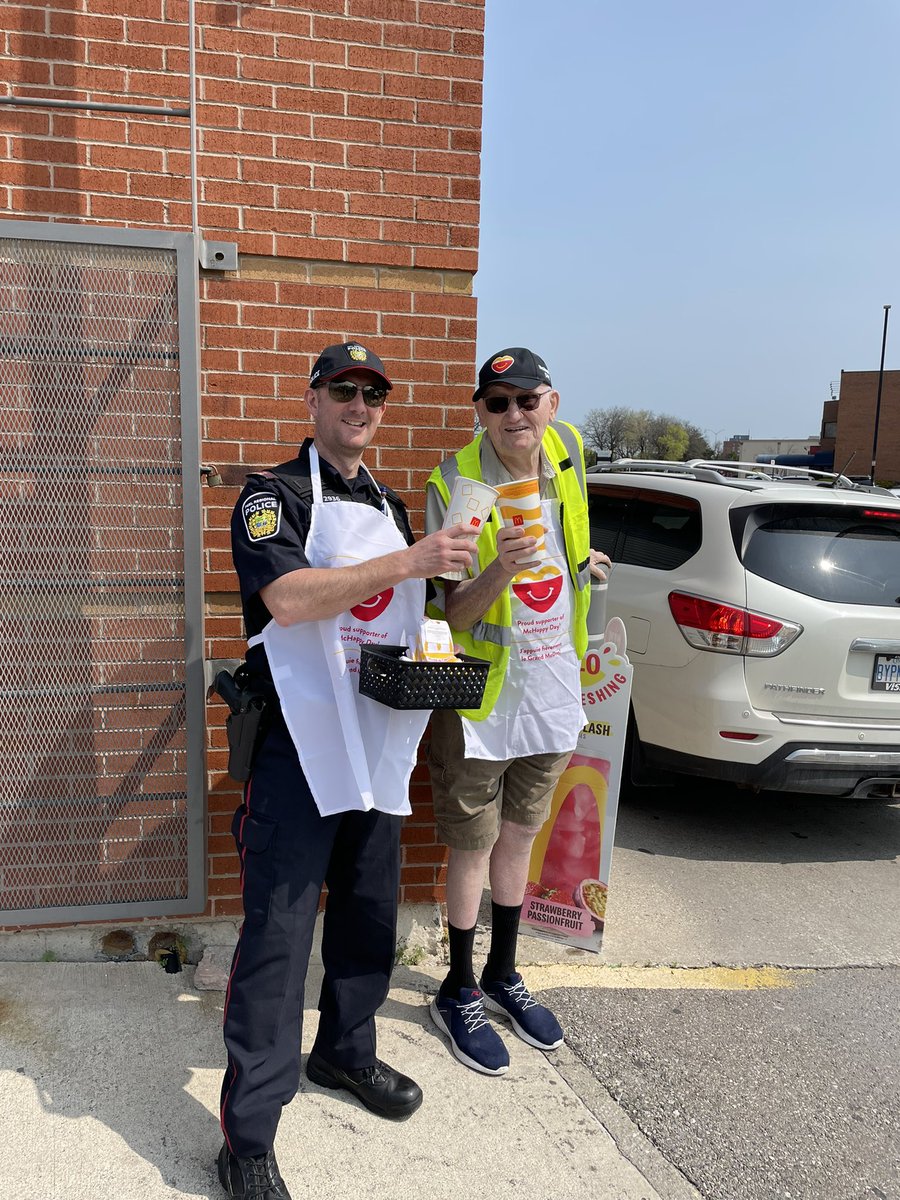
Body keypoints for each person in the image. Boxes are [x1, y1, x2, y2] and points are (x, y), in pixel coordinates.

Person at [217, 341, 478, 1200]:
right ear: (314, 400)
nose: (359, 404)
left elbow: (426, 614)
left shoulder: (391, 506)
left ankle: (344, 1053)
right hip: (297, 749)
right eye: (343, 390)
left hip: (378, 739)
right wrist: (410, 561)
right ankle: (247, 1137)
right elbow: (288, 601)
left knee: (368, 919)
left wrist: (493, 571)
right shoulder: (273, 497)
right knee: (279, 940)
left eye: (372, 393)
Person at [424, 346, 610, 1075]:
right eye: (497, 403)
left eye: (526, 400)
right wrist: (501, 567)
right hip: (483, 700)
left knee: (519, 840)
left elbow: (572, 538)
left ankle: (504, 972)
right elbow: (453, 611)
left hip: (555, 694)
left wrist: (583, 561)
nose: (513, 415)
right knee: (471, 846)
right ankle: (459, 987)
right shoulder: (459, 483)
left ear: (551, 405)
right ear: (479, 411)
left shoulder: (567, 454)